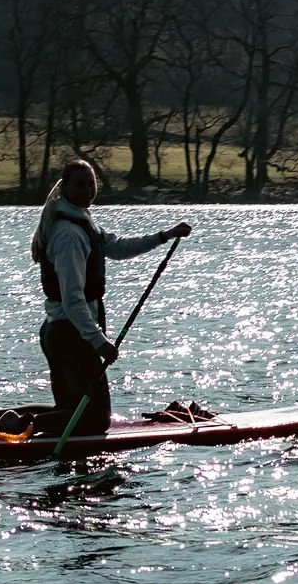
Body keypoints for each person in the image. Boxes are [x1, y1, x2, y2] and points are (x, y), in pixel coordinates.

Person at [29, 160, 191, 435]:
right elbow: (72, 298)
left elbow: (116, 248)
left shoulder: (80, 219)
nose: (88, 190)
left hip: (61, 332)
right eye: (80, 184)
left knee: (72, 412)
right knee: (95, 420)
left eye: (91, 183)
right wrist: (98, 340)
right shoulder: (68, 234)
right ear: (65, 187)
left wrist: (164, 236)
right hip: (70, 335)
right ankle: (19, 424)